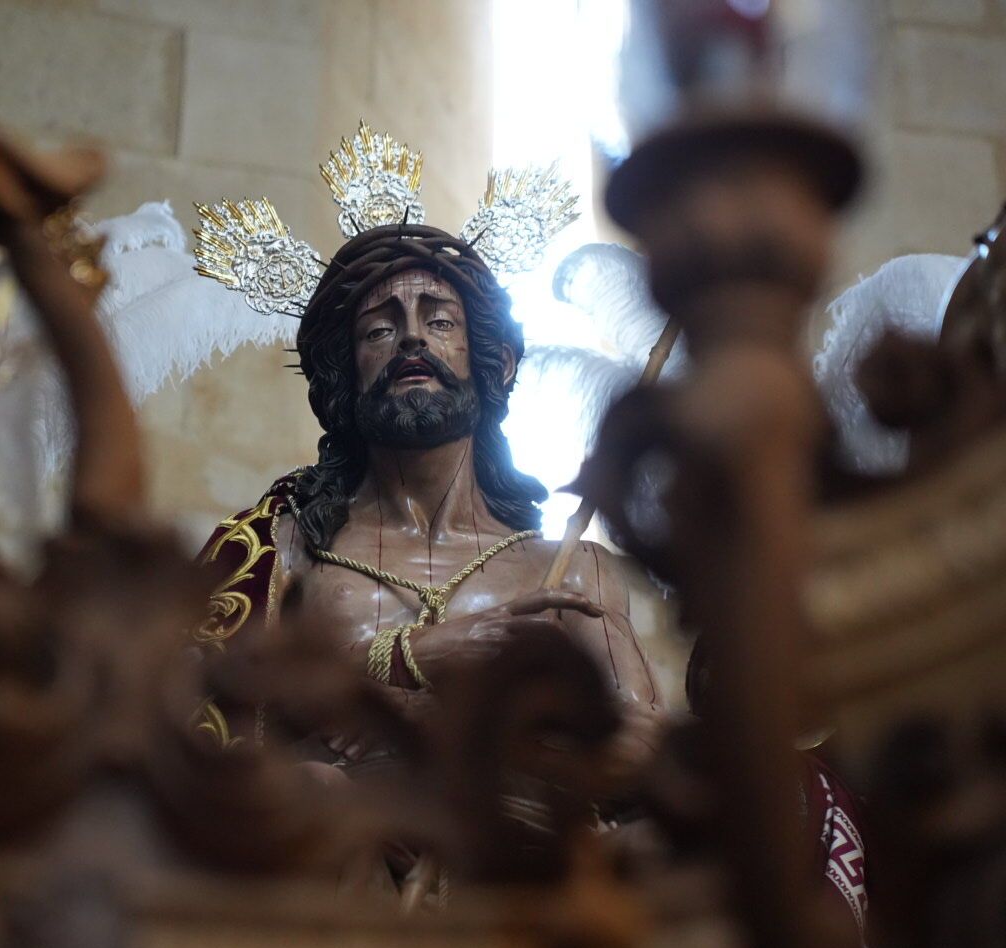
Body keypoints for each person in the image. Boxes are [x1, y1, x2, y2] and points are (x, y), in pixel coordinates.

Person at [193, 220, 665, 771]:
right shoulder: (283, 549)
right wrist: (413, 654)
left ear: (498, 363)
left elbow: (644, 744)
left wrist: (444, 724)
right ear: (346, 374)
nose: (412, 337)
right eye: (378, 330)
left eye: (439, 320)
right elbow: (200, 713)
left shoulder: (572, 570)